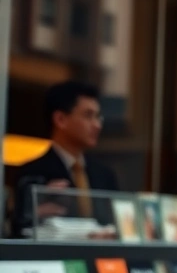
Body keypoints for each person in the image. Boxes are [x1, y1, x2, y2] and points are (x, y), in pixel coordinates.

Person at [11, 81, 119, 237]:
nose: (97, 125)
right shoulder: (32, 173)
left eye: (98, 117)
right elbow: (19, 230)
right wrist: (36, 212)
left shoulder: (105, 174)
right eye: (88, 116)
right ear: (60, 119)